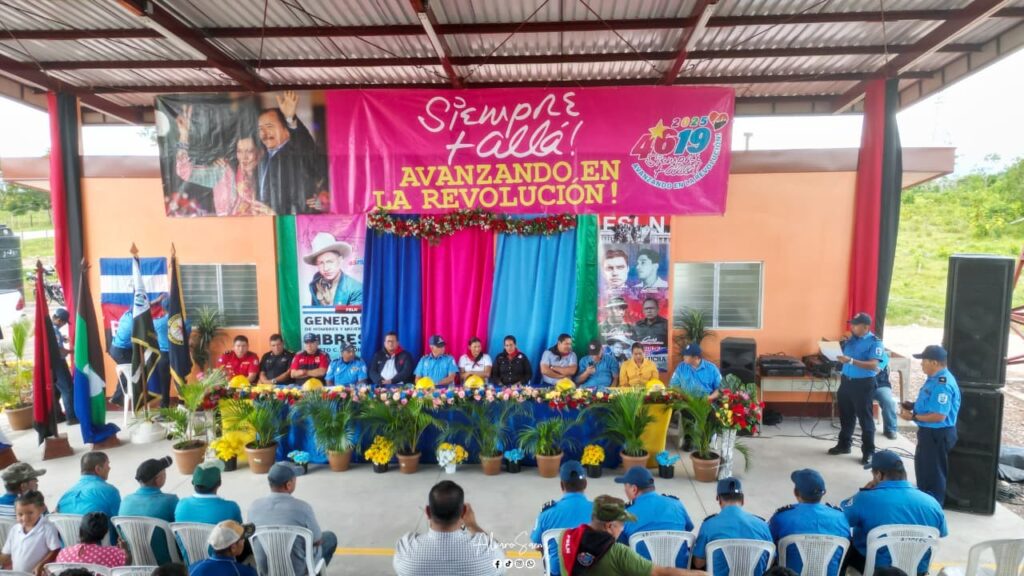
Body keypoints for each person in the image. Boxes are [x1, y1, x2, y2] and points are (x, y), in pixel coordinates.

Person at [841, 451, 947, 575]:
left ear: (879, 475)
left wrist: (863, 492)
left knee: (843, 542)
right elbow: (942, 533)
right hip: (917, 571)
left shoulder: (865, 499)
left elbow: (840, 519)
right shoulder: (932, 503)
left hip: (876, 570)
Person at [557, 495, 694, 576]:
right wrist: (700, 574)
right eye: (621, 524)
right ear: (609, 526)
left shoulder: (565, 537)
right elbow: (661, 573)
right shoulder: (618, 553)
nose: (622, 529)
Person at [393, 480, 505, 576]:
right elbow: (500, 558)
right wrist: (472, 525)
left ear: (427, 512)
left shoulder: (406, 548)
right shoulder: (489, 553)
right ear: (464, 512)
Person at [249, 463, 336, 576]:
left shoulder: (254, 507)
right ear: (288, 485)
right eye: (295, 479)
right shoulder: (303, 508)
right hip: (298, 572)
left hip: (266, 572)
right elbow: (317, 540)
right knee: (329, 538)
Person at [900, 345, 961, 505]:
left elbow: (939, 416)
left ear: (934, 363)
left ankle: (933, 506)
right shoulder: (934, 378)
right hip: (929, 433)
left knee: (934, 474)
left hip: (937, 434)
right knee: (924, 469)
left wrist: (913, 416)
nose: (921, 364)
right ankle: (924, 502)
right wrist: (913, 406)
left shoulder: (943, 384)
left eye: (924, 361)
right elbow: (931, 405)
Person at [769, 469, 850, 576]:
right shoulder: (841, 518)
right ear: (824, 492)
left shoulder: (781, 517)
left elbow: (769, 546)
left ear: (796, 492)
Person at [829, 313, 884, 465]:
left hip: (863, 384)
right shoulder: (850, 340)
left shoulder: (875, 342)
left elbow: (873, 364)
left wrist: (851, 361)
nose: (852, 327)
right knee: (846, 416)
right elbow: (843, 358)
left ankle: (869, 452)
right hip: (846, 381)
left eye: (855, 325)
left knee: (865, 419)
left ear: (865, 327)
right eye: (851, 324)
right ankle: (844, 444)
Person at [615, 467, 694, 567]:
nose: (624, 490)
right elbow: (689, 529)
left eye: (625, 487)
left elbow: (621, 546)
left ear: (634, 489)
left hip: (642, 571)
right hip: (678, 570)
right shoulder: (676, 504)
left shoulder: (625, 514)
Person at [256, 91, 320, 215]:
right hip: (265, 219)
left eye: (269, 127)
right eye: (260, 129)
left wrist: (290, 118)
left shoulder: (296, 152)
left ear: (286, 130)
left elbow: (304, 143)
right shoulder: (262, 157)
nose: (264, 133)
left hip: (291, 219)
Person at [692, 478, 772, 576]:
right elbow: (771, 559)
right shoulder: (762, 525)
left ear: (719, 499)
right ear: (742, 500)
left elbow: (699, 563)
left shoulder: (709, 525)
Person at [531, 461, 593, 575]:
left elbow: (537, 545)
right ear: (585, 484)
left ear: (561, 485)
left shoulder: (546, 514)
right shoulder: (599, 512)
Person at [120, 456, 179, 565]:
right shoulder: (171, 501)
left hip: (136, 562)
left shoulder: (125, 501)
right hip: (166, 563)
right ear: (158, 480)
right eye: (164, 474)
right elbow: (179, 534)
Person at [57, 452, 121, 542]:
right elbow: (119, 524)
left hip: (71, 547)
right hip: (102, 546)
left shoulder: (65, 495)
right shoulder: (110, 491)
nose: (109, 468)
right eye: (107, 465)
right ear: (98, 469)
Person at [0, 491, 61, 576]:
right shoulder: (15, 530)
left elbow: (55, 550)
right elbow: (6, 555)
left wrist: (41, 564)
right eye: (20, 514)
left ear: (42, 509)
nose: (25, 518)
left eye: (30, 513)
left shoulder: (47, 528)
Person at [175, 462, 244, 525]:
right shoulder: (231, 507)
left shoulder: (181, 505)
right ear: (219, 483)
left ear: (193, 483)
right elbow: (240, 531)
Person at [304, 232, 362, 306]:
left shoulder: (356, 289)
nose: (326, 268)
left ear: (340, 260)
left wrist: (329, 306)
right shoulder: (315, 284)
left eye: (330, 262)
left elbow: (356, 313)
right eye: (321, 263)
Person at [55, 512, 129, 567]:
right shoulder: (114, 554)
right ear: (105, 532)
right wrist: (125, 550)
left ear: (81, 529)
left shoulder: (63, 554)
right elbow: (127, 563)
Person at [189, 521, 258, 576]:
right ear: (233, 547)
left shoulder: (193, 568)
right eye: (242, 539)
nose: (244, 541)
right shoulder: (244, 572)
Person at [50, 307, 77, 424]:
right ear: (59, 320)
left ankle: (58, 416)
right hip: (58, 362)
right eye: (64, 322)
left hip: (51, 364)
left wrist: (62, 338)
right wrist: (72, 351)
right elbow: (59, 351)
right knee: (68, 389)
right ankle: (71, 417)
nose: (64, 325)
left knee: (56, 390)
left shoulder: (50, 327)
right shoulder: (54, 329)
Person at [874, 349, 899, 440]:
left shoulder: (880, 353)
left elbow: (875, 370)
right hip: (862, 385)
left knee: (889, 401)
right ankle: (866, 425)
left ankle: (890, 429)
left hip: (880, 385)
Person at [152, 310, 173, 407]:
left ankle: (165, 406)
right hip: (177, 354)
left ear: (163, 310)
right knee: (180, 381)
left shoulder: (158, 322)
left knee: (164, 382)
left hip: (163, 355)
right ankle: (182, 405)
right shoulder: (183, 322)